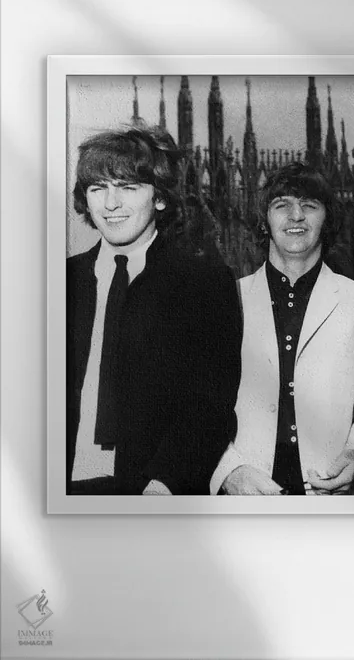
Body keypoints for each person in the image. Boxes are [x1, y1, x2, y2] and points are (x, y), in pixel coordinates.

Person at [67, 126, 242, 495]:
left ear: (160, 198)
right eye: (97, 188)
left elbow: (210, 406)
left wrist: (164, 483)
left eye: (128, 188)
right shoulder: (58, 281)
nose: (110, 204)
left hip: (153, 491)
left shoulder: (204, 283)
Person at [211, 163, 354, 495]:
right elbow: (201, 404)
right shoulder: (228, 298)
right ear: (265, 220)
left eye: (309, 206)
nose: (296, 216)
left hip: (329, 491)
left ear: (327, 219)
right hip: (248, 490)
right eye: (281, 205)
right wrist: (228, 472)